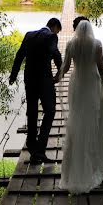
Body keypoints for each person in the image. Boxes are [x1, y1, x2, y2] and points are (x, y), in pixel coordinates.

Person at [54, 20, 103, 194]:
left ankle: (72, 170)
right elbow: (100, 68)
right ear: (91, 30)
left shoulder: (71, 44)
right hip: (92, 85)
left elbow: (67, 66)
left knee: (76, 119)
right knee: (92, 120)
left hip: (77, 85)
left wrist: (55, 79)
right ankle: (90, 166)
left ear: (77, 30)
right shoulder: (97, 44)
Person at [9, 17, 63, 164]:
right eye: (58, 31)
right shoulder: (52, 37)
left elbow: (19, 55)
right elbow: (56, 55)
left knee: (32, 112)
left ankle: (32, 147)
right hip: (44, 80)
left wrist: (13, 75)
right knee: (50, 111)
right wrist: (59, 73)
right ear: (54, 27)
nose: (57, 34)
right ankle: (40, 151)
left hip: (29, 80)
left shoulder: (29, 34)